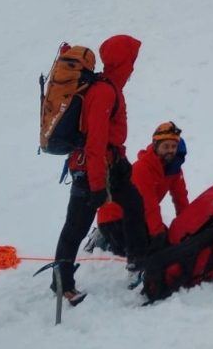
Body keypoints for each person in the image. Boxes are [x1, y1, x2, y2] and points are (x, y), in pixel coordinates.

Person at [51, 34, 147, 305]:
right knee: (76, 226)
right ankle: (62, 283)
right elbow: (95, 142)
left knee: (134, 207)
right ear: (123, 61)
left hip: (110, 166)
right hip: (94, 169)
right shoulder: (104, 92)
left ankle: (138, 263)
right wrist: (95, 186)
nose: (134, 66)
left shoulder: (111, 87)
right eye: (132, 60)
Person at [89, 121, 189, 255]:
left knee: (170, 244)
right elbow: (148, 205)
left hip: (139, 217)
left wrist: (188, 227)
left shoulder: (174, 169)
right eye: (166, 146)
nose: (170, 150)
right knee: (149, 252)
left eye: (174, 146)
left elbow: (181, 199)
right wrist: (157, 235)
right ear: (155, 146)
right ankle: (102, 239)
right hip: (114, 218)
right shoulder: (143, 168)